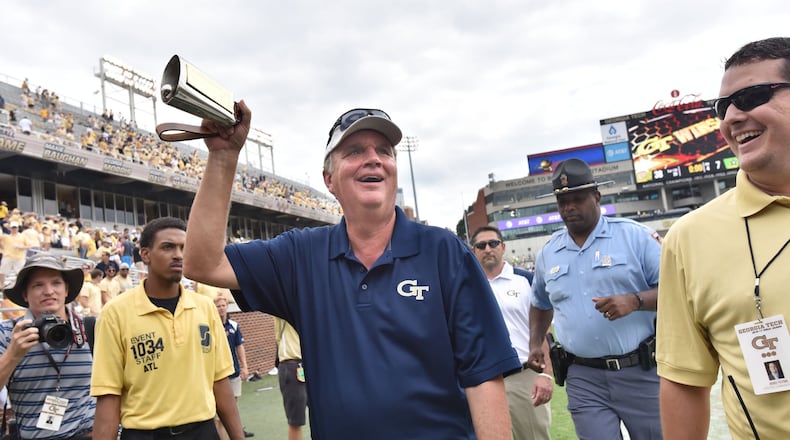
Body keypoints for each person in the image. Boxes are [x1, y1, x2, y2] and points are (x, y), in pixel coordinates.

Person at [183, 104, 520, 439]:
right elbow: (202, 263)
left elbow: (483, 375)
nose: (373, 158)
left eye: (384, 151)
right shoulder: (301, 255)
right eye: (355, 151)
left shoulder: (444, 252)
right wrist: (224, 157)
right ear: (329, 179)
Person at [657, 37, 790, 440]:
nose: (731, 116)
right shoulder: (689, 238)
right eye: (722, 107)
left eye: (751, 96)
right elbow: (683, 380)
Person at [527, 158, 662, 439]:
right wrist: (535, 342)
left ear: (597, 197)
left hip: (641, 371)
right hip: (582, 375)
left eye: (577, 199)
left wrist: (634, 301)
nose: (569, 208)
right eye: (562, 202)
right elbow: (540, 303)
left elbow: (677, 291)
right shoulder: (548, 252)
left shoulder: (635, 237)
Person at [90, 217, 245, 440]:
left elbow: (219, 381)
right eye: (168, 247)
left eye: (184, 248)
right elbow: (109, 395)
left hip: (203, 432)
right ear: (145, 255)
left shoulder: (205, 308)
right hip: (145, 435)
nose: (179, 255)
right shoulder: (115, 313)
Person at [471, 225, 553, 440]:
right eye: (481, 245)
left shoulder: (525, 280)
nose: (488, 249)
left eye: (493, 243)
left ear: (503, 247)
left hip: (523, 375)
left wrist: (545, 375)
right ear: (473, 251)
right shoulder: (465, 285)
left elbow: (542, 330)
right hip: (484, 379)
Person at [0, 254, 95, 438]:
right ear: (25, 295)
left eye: (56, 283)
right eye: (38, 285)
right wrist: (13, 354)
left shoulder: (90, 329)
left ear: (66, 290)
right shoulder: (7, 333)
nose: (49, 291)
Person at [213, 295, 254, 438]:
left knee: (232, 410)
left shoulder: (234, 326)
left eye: (223, 305)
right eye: (218, 306)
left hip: (234, 372)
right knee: (219, 416)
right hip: (218, 376)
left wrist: (244, 366)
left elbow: (239, 347)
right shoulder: (212, 326)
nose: (221, 308)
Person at [273, 317, 307, 440]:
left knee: (323, 414)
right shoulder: (283, 306)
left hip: (310, 364)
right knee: (296, 421)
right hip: (293, 365)